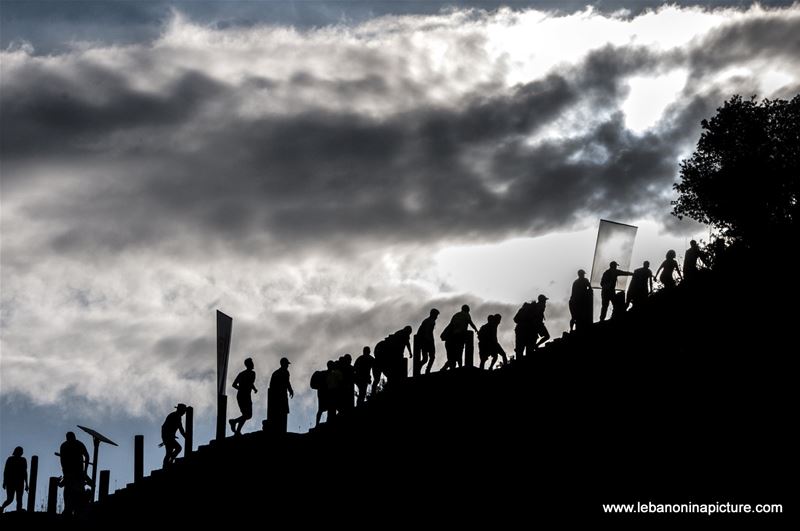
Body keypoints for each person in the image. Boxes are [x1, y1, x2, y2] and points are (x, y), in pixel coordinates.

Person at [59, 432, 90, 516]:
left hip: (78, 473)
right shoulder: (64, 446)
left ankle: (77, 511)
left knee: (78, 491)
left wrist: (85, 471)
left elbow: (87, 456)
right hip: (69, 473)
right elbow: (62, 461)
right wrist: (65, 472)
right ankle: (68, 510)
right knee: (69, 491)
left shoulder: (78, 444)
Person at [440, 305, 478, 371]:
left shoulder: (456, 315)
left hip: (451, 338)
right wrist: (476, 329)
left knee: (453, 356)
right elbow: (471, 323)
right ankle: (458, 368)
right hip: (459, 337)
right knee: (459, 354)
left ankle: (446, 368)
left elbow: (450, 325)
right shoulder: (466, 315)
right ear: (467, 310)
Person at [230, 357, 258, 435]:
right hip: (244, 396)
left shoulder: (242, 374)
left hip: (241, 395)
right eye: (251, 363)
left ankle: (237, 430)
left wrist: (253, 389)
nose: (253, 364)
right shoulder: (252, 373)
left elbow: (235, 385)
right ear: (248, 365)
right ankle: (234, 422)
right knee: (248, 415)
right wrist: (244, 389)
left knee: (246, 415)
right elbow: (249, 383)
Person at [267, 357, 294, 434]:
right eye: (287, 364)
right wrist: (290, 390)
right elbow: (273, 386)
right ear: (283, 364)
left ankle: (281, 430)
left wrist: (290, 390)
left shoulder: (280, 372)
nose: (288, 366)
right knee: (280, 413)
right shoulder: (280, 373)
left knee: (282, 413)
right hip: (279, 396)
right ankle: (279, 431)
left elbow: (287, 382)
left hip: (281, 395)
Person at [1, 447, 27, 513]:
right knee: (10, 499)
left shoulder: (23, 460)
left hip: (19, 482)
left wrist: (27, 484)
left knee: (19, 498)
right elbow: (6, 471)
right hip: (11, 482)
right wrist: (4, 482)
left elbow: (25, 472)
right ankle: (2, 508)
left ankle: (19, 510)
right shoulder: (10, 459)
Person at [416, 309, 439, 374]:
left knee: (426, 359)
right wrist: (429, 341)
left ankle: (424, 369)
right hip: (427, 342)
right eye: (436, 315)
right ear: (433, 314)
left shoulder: (429, 321)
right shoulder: (430, 321)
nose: (437, 317)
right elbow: (427, 331)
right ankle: (426, 370)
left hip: (426, 341)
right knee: (429, 358)